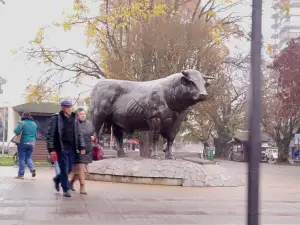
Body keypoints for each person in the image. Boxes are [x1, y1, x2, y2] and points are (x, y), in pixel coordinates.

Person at [46, 100, 86, 197]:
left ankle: (57, 179)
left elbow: (79, 133)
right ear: (62, 108)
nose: (69, 109)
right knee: (64, 168)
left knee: (68, 170)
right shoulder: (56, 118)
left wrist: (82, 146)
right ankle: (66, 189)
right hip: (61, 147)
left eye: (70, 107)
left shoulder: (75, 118)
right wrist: (51, 149)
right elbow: (50, 134)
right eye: (67, 107)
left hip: (72, 147)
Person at [70, 108, 95, 195]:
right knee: (80, 168)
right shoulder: (73, 124)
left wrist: (93, 137)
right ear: (77, 115)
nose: (83, 115)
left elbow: (94, 133)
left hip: (87, 149)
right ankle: (82, 186)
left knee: (77, 170)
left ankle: (70, 183)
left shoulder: (89, 124)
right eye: (81, 114)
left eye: (84, 114)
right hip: (78, 149)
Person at [14, 112, 38, 179]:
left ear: (23, 116)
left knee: (21, 159)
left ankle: (20, 175)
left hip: (23, 142)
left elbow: (16, 131)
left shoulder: (21, 123)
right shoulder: (34, 124)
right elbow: (36, 135)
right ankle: (32, 168)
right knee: (28, 158)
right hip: (32, 143)